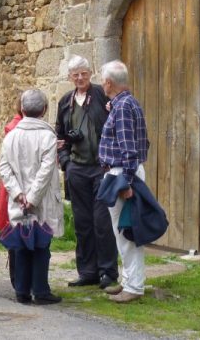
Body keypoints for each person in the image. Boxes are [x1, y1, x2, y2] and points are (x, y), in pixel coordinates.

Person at [55, 55, 119, 290]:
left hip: (102, 168)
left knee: (102, 222)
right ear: (70, 77)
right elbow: (59, 135)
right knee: (82, 223)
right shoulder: (65, 101)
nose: (80, 78)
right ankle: (88, 271)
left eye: (84, 73)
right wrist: (66, 162)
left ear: (90, 73)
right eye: (75, 74)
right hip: (77, 169)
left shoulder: (102, 96)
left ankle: (108, 272)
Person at [0, 89, 64, 305]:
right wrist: (33, 197)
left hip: (20, 199)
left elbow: (4, 168)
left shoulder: (12, 136)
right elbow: (46, 170)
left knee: (23, 241)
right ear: (44, 110)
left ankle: (22, 290)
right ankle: (41, 290)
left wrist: (18, 194)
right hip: (40, 198)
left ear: (23, 109)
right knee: (41, 244)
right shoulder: (47, 136)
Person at [97, 60, 150, 304]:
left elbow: (129, 148)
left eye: (102, 80)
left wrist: (127, 182)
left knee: (127, 232)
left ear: (109, 83)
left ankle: (134, 287)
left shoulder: (123, 107)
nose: (101, 84)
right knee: (122, 231)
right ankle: (129, 280)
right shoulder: (125, 104)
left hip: (121, 174)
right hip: (120, 173)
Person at [0, 97, 23, 290]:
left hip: (14, 185)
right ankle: (19, 279)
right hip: (18, 186)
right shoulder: (16, 129)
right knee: (18, 230)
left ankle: (19, 279)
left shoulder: (14, 127)